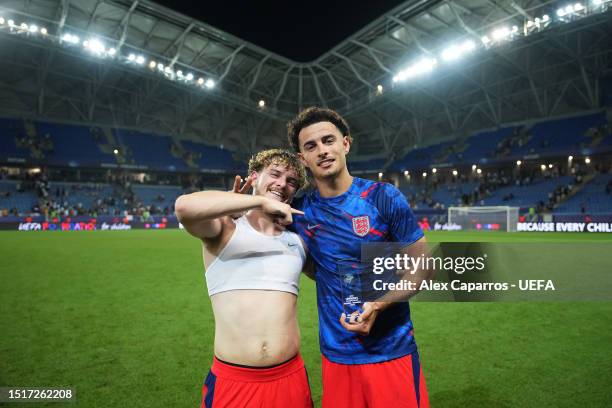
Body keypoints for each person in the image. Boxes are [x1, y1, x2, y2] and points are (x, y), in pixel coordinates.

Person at [287, 107, 431, 408]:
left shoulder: (382, 197)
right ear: (302, 159)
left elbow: (423, 267)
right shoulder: (299, 210)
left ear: (346, 144)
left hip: (392, 349)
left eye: (329, 140)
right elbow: (316, 267)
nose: (322, 151)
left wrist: (378, 304)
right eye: (311, 146)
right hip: (337, 355)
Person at [175, 149, 313, 408]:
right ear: (254, 176)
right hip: (234, 381)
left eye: (291, 181)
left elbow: (341, 273)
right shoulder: (224, 228)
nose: (282, 184)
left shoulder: (297, 242)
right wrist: (254, 203)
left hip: (290, 378)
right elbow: (183, 207)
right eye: (275, 174)